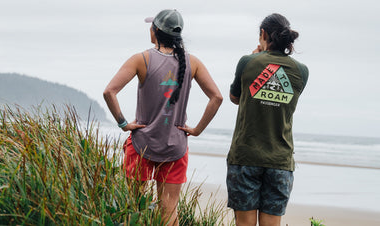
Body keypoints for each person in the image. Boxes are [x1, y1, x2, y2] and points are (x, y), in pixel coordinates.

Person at [103, 9, 222, 226]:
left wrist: (123, 124)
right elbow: (217, 97)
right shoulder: (192, 62)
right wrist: (197, 130)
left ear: (155, 31)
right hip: (175, 146)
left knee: (133, 208)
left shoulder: (141, 59)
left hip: (141, 144)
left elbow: (109, 91)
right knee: (169, 211)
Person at [227, 13, 309, 226]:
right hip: (280, 160)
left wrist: (255, 57)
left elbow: (235, 98)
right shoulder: (301, 71)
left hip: (246, 156)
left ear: (263, 34)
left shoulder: (247, 62)